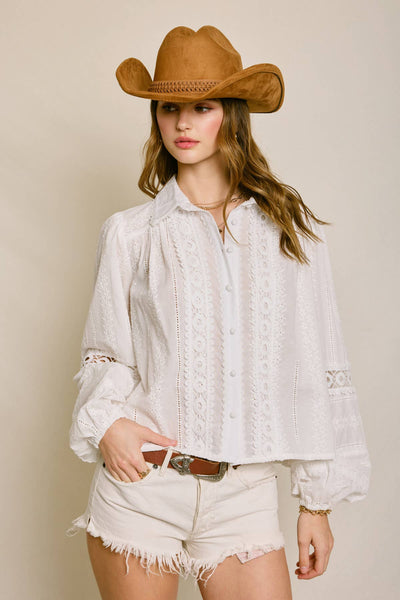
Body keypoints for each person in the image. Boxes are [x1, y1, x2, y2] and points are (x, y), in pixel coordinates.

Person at [66, 25, 371, 600]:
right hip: (143, 485)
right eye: (169, 108)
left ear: (231, 116)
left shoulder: (289, 234)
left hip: (243, 495)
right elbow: (107, 352)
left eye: (201, 108)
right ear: (155, 117)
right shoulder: (131, 234)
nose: (182, 124)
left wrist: (316, 502)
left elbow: (316, 366)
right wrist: (106, 425)